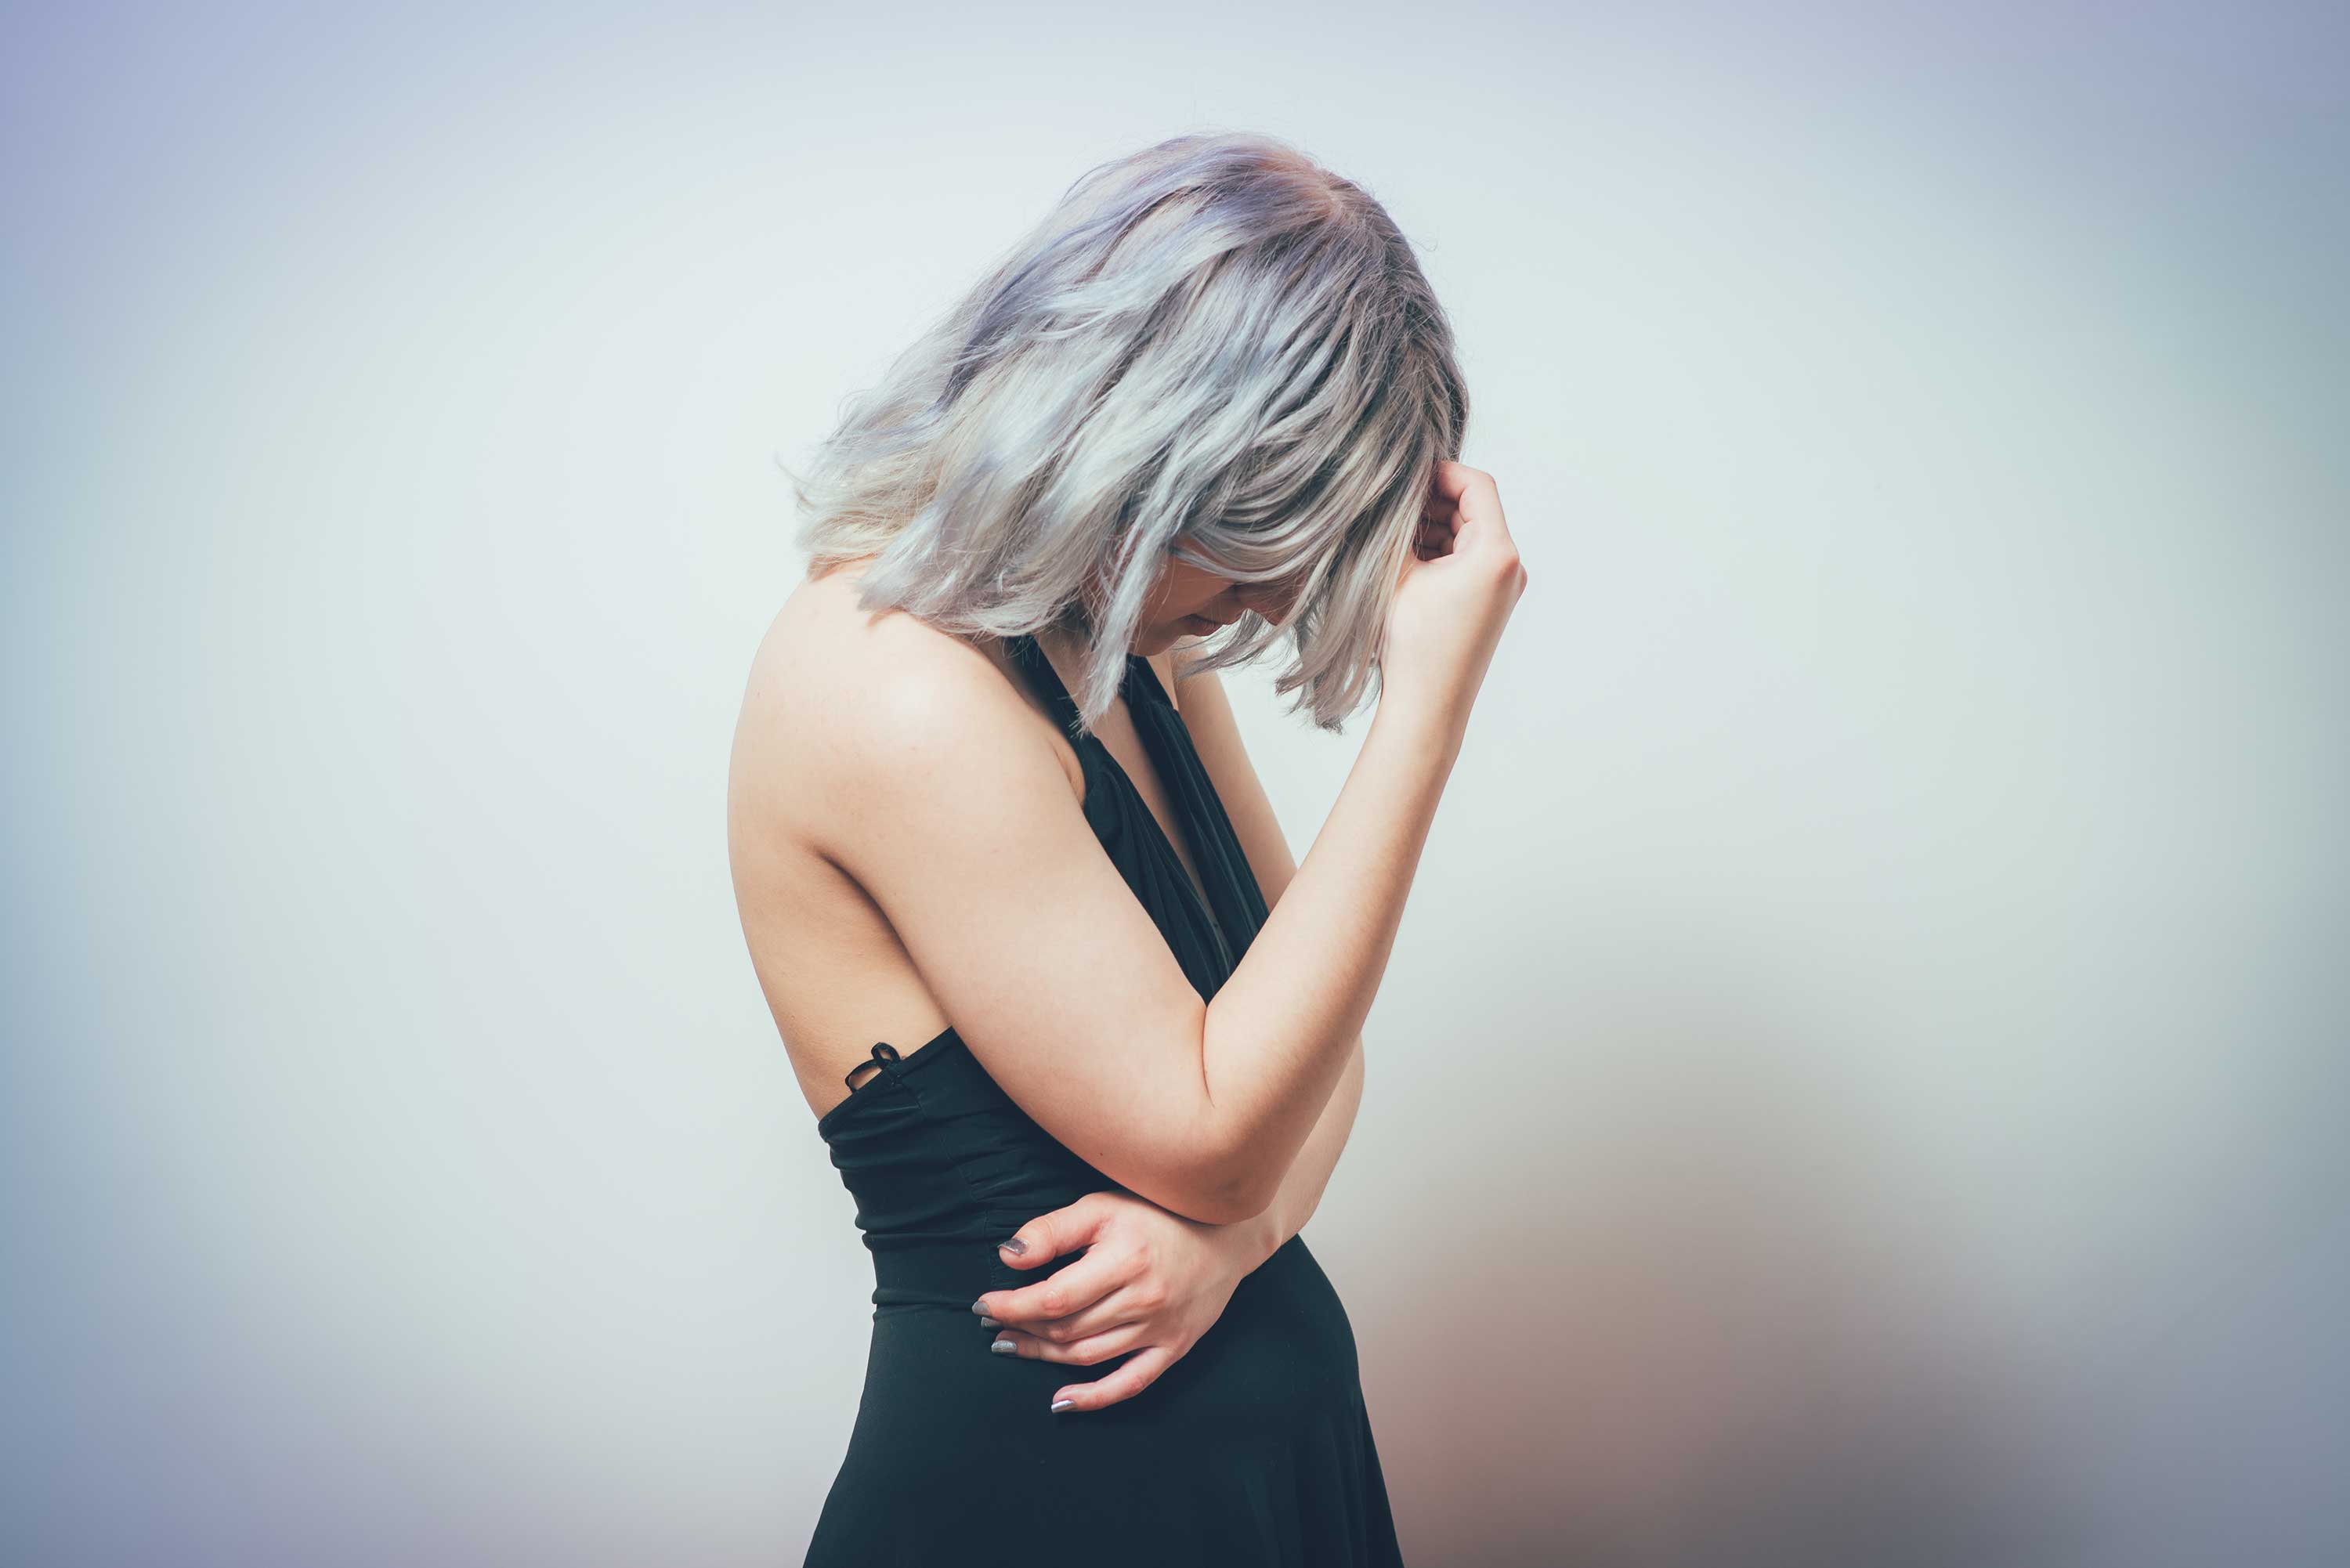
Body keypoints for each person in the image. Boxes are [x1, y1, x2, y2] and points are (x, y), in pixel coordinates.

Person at [727, 130, 1525, 1566]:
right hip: (1035, 1511)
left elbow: (1316, 1061)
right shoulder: (897, 685)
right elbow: (1222, 1138)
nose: (1267, 603)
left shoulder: (1123, 644)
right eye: (1252, 537)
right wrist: (1427, 715)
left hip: (1264, 1489)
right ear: (1142, 449)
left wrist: (1229, 1248)